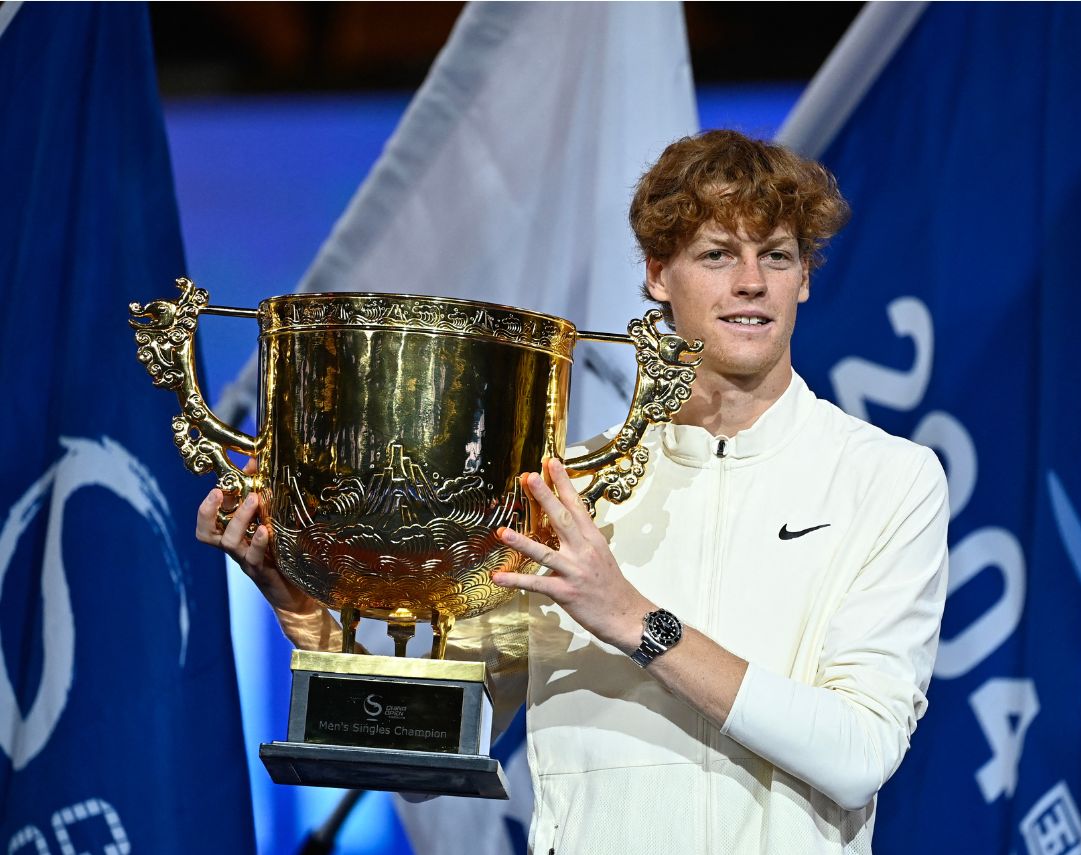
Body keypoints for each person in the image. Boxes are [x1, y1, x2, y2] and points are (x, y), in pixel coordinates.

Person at [198, 129, 949, 854]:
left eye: (776, 256)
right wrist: (301, 604)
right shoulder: (565, 492)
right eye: (717, 255)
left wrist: (632, 617)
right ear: (659, 273)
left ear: (805, 277)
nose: (750, 282)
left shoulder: (887, 477)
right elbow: (432, 746)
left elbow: (859, 752)